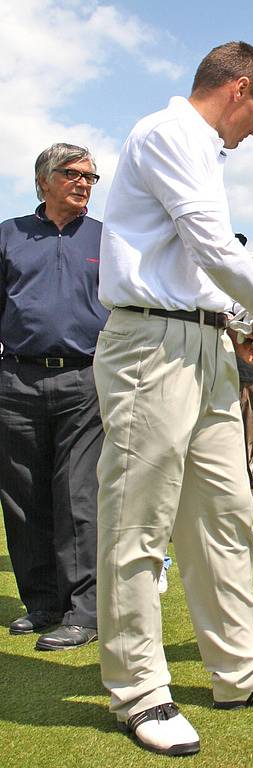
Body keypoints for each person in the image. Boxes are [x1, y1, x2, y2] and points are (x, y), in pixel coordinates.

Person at [94, 41, 253, 758]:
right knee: (138, 517)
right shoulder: (168, 134)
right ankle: (139, 690)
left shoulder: (197, 148)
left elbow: (197, 263)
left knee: (225, 512)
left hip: (204, 345)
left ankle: (241, 670)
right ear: (239, 88)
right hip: (150, 346)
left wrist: (233, 322)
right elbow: (212, 242)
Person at [0, 143, 107, 650]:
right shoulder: (9, 236)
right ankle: (41, 604)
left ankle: (83, 611)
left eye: (91, 176)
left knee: (78, 496)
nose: (84, 183)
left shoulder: (107, 240)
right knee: (22, 499)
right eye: (73, 174)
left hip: (85, 380)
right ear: (44, 179)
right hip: (15, 379)